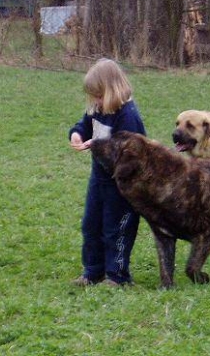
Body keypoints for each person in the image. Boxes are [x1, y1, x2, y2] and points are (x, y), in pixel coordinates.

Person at [69, 58, 146, 287]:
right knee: (91, 225)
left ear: (113, 90)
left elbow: (131, 151)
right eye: (93, 97)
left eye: (99, 95)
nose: (96, 101)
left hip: (122, 185)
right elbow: (84, 125)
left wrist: (99, 143)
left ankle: (117, 276)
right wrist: (77, 134)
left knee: (117, 228)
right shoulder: (97, 109)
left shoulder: (128, 115)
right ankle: (93, 271)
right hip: (99, 179)